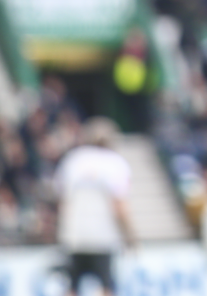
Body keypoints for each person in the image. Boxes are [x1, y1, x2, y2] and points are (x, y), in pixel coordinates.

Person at [54, 117, 135, 296]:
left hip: (74, 235)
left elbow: (62, 200)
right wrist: (130, 237)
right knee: (106, 286)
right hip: (103, 236)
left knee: (72, 286)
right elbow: (119, 206)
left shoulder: (72, 160)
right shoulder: (115, 163)